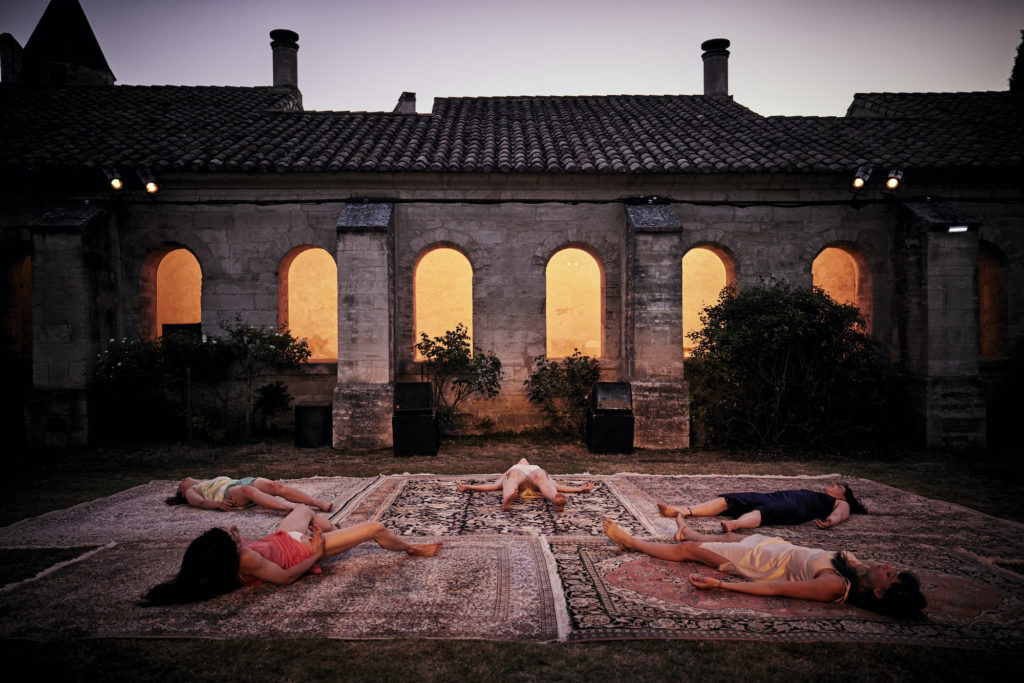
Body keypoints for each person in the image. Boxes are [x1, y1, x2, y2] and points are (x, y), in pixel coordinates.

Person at [603, 516, 926, 618]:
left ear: (881, 594)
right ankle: (692, 531)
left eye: (890, 574)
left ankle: (632, 542)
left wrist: (721, 586)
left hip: (760, 563)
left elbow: (775, 588)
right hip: (774, 548)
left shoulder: (835, 586)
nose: (886, 566)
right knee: (726, 537)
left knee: (690, 550)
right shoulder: (856, 569)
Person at [142, 505, 443, 605]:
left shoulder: (230, 555)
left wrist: (233, 535)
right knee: (375, 528)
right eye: (233, 540)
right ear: (230, 556)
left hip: (283, 538)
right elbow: (285, 578)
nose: (236, 537)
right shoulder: (246, 561)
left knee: (303, 510)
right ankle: (412, 548)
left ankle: (340, 531)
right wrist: (316, 552)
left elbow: (245, 543)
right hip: (300, 550)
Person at [656, 482, 866, 533]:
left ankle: (736, 525)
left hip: (795, 506)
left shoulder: (838, 503)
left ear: (843, 495)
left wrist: (833, 520)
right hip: (776, 496)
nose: (833, 485)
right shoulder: (817, 493)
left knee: (764, 513)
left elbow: (843, 512)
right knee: (729, 500)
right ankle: (683, 510)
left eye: (839, 487)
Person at [457, 458, 595, 511]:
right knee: (516, 476)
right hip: (525, 476)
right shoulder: (512, 469)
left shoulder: (521, 468)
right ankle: (507, 499)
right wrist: (469, 487)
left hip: (534, 475)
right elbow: (495, 486)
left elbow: (555, 485)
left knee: (541, 476)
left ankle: (556, 500)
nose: (523, 458)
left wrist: (580, 488)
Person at [167, 476, 333, 513]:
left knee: (274, 486)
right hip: (227, 493)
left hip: (239, 481)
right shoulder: (190, 491)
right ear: (181, 491)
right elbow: (199, 503)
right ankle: (288, 509)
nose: (184, 479)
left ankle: (318, 503)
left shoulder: (205, 481)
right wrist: (218, 504)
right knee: (249, 491)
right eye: (181, 482)